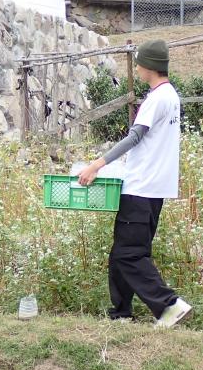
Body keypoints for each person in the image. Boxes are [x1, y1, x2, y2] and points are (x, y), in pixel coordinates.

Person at [76, 39, 191, 328]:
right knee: (121, 254)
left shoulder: (156, 99)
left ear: (149, 66)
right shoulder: (171, 96)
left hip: (141, 188)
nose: (136, 68)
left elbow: (135, 137)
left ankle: (169, 305)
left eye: (139, 63)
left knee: (129, 255)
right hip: (154, 190)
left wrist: (97, 165)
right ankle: (121, 313)